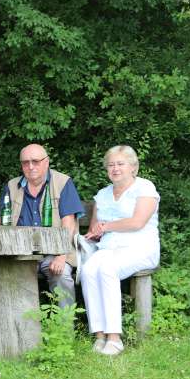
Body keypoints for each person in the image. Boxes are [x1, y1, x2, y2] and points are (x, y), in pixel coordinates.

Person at [81, 145, 160, 356]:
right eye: (111, 164)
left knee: (107, 269)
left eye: (120, 164)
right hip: (108, 248)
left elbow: (137, 222)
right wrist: (94, 233)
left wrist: (106, 227)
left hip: (140, 247)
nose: (115, 168)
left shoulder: (145, 188)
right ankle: (99, 335)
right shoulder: (103, 194)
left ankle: (114, 338)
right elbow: (95, 229)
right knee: (88, 270)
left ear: (133, 167)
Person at [0, 144, 84, 307]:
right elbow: (2, 221)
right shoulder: (11, 186)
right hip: (19, 253)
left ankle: (64, 327)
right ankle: (18, 327)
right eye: (25, 162)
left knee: (61, 274)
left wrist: (61, 255)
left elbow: (69, 223)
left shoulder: (63, 182)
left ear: (47, 162)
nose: (30, 166)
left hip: (54, 252)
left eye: (35, 161)